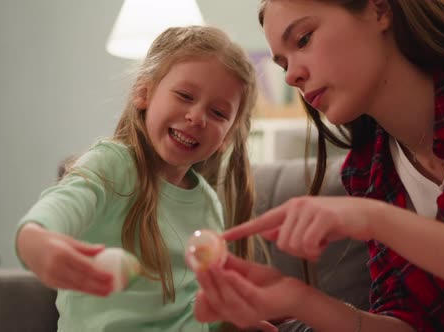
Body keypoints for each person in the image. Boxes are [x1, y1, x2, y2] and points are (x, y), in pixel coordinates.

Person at [191, 1, 444, 331]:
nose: (290, 77)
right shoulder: (368, 168)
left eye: (304, 39)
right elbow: (409, 323)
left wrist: (376, 219)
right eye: (283, 63)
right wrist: (296, 299)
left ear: (379, 9)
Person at [15, 25, 270, 332]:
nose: (197, 117)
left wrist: (232, 321)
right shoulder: (111, 165)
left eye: (218, 113)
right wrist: (36, 238)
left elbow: (197, 311)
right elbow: (61, 205)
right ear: (143, 93)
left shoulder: (207, 205)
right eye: (185, 95)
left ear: (228, 137)